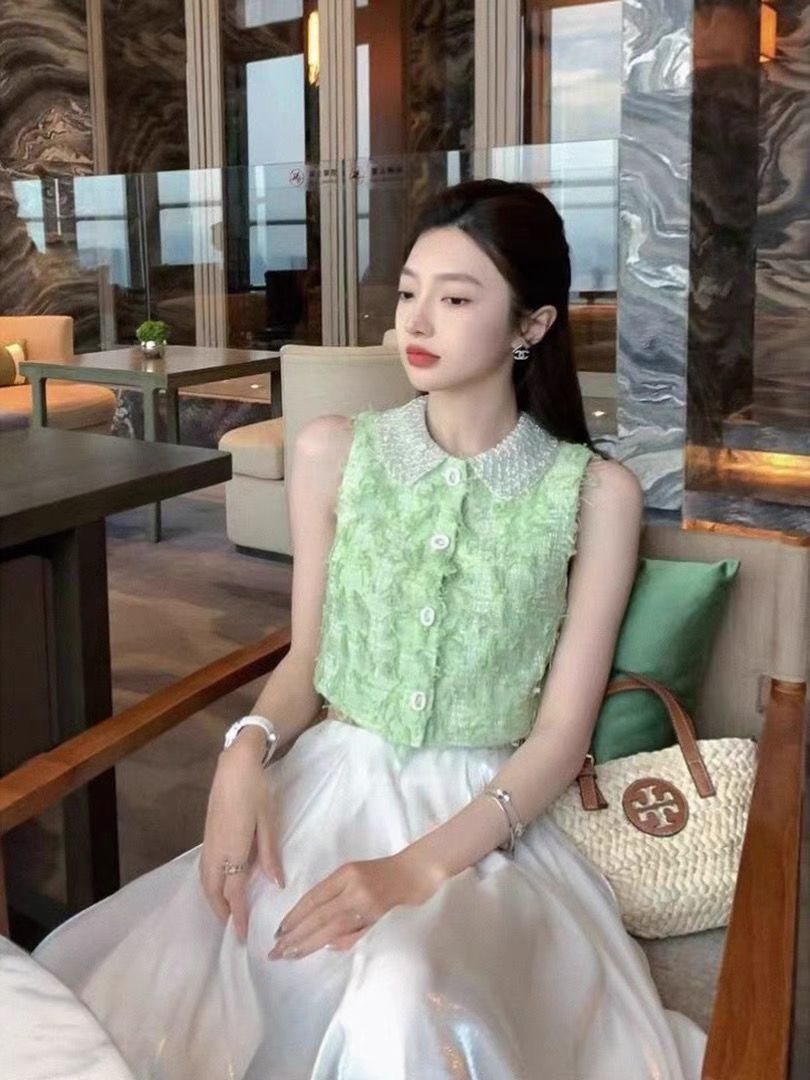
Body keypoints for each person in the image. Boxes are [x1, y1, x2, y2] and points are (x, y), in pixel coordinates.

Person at [35, 180, 706, 1079]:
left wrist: (415, 871)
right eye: (409, 291)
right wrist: (242, 752)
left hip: (486, 822)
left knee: (405, 988)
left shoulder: (592, 494)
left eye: (456, 299)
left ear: (532, 325)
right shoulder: (334, 451)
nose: (416, 320)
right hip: (327, 786)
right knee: (213, 985)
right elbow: (306, 658)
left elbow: (558, 737)